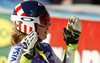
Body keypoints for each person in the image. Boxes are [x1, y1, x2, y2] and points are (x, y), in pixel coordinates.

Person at [7, 1, 82, 63]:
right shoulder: (18, 50)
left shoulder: (45, 48)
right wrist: (26, 57)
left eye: (48, 20)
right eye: (44, 21)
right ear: (28, 23)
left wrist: (71, 45)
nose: (48, 25)